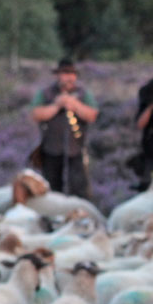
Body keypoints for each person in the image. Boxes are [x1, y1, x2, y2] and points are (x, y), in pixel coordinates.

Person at [29, 58, 99, 199]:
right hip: (51, 148)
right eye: (65, 73)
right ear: (58, 75)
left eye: (72, 73)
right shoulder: (46, 93)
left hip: (76, 149)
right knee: (52, 189)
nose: (69, 77)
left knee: (79, 189)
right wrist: (57, 105)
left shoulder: (83, 94)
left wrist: (74, 105)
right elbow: (35, 114)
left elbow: (92, 115)